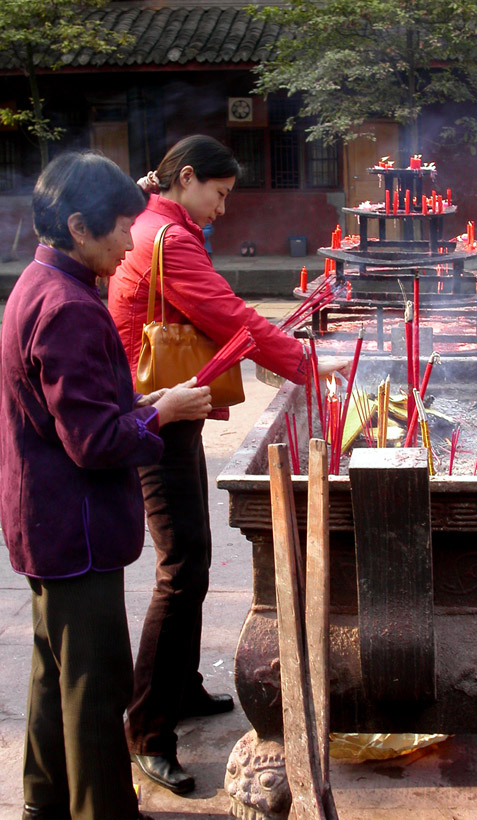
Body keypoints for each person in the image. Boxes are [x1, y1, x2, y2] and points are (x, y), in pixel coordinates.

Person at [108, 134, 349, 795]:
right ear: (186, 178)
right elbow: (230, 317)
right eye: (219, 194)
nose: (222, 209)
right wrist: (302, 364)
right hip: (154, 408)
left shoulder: (160, 222)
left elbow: (228, 317)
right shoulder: (169, 237)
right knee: (181, 566)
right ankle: (146, 727)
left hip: (168, 405)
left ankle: (179, 689)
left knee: (192, 557)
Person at [0, 151, 213, 820]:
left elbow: (82, 409)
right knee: (95, 685)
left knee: (53, 672)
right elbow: (95, 442)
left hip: (43, 520)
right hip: (76, 525)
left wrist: (143, 397)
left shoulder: (38, 283)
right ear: (78, 227)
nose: (131, 243)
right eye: (122, 227)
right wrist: (162, 410)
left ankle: (44, 801)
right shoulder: (67, 308)